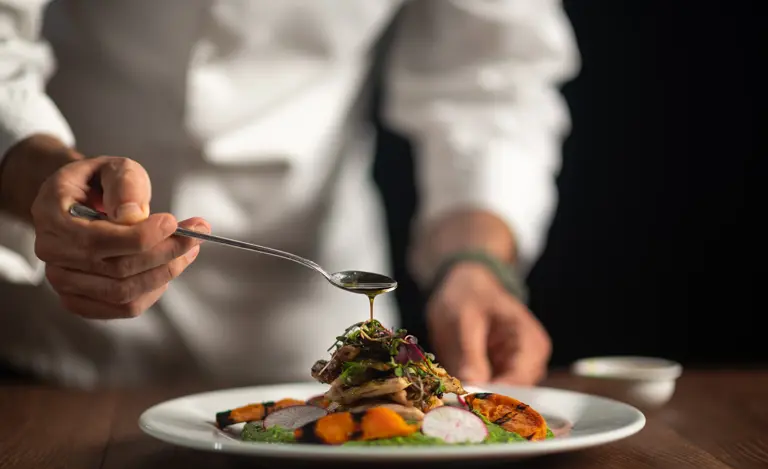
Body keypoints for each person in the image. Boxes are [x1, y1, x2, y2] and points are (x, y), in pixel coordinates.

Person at [0, 1, 578, 388]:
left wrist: (473, 263)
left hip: (305, 323)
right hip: (53, 330)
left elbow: (488, 80)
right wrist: (42, 172)